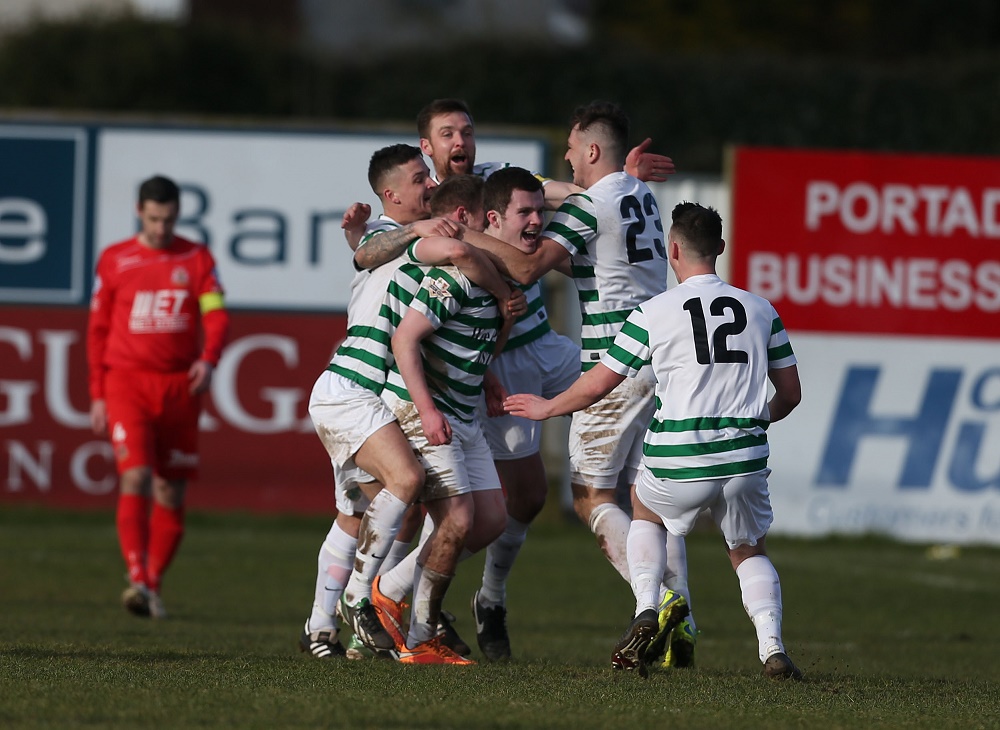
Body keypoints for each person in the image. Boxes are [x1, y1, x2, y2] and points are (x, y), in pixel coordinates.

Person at [504, 202, 804, 679]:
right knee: (748, 551)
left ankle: (647, 605)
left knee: (643, 510)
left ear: (673, 249)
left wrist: (547, 407)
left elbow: (599, 383)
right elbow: (790, 394)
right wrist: (756, 421)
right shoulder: (761, 310)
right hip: (745, 457)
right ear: (720, 250)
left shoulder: (653, 312)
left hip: (677, 457)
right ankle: (772, 648)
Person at [460, 101, 698, 665]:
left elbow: (524, 268)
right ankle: (683, 620)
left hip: (614, 357)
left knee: (591, 497)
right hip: (659, 359)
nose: (567, 158)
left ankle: (657, 604)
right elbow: (587, 264)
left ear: (591, 151)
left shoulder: (593, 203)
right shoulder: (640, 196)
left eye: (571, 148)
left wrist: (466, 233)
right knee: (649, 503)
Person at [301, 145, 522, 660]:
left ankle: (325, 626)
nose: (429, 183)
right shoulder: (400, 235)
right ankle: (369, 605)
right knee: (406, 487)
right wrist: (503, 290)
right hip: (352, 387)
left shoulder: (402, 236)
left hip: (369, 390)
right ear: (391, 196)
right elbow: (382, 252)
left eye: (429, 177)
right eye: (419, 177)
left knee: (361, 513)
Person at [377, 202, 519, 665]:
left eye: (539, 213)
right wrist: (427, 411)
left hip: (464, 411)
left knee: (492, 520)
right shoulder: (455, 275)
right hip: (430, 409)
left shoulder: (508, 287)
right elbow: (404, 339)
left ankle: (388, 590)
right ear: (492, 223)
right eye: (523, 215)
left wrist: (493, 369)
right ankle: (419, 640)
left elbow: (480, 345)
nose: (534, 224)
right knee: (456, 521)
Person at [87, 174, 230, 619]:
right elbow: (97, 330)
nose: (161, 228)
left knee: (171, 489)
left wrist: (208, 358)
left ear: (178, 215)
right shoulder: (115, 259)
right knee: (136, 477)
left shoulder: (196, 257)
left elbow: (217, 314)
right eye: (153, 219)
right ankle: (135, 576)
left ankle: (150, 585)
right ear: (139, 212)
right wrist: (96, 392)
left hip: (178, 387)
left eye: (168, 220)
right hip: (126, 381)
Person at [468, 167, 581, 661]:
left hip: (548, 345)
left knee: (635, 387)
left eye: (466, 131)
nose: (460, 143)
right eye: (446, 133)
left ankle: (488, 598)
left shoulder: (494, 174)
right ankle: (391, 594)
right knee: (517, 497)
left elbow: (565, 193)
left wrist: (616, 187)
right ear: (427, 145)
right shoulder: (435, 207)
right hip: (501, 358)